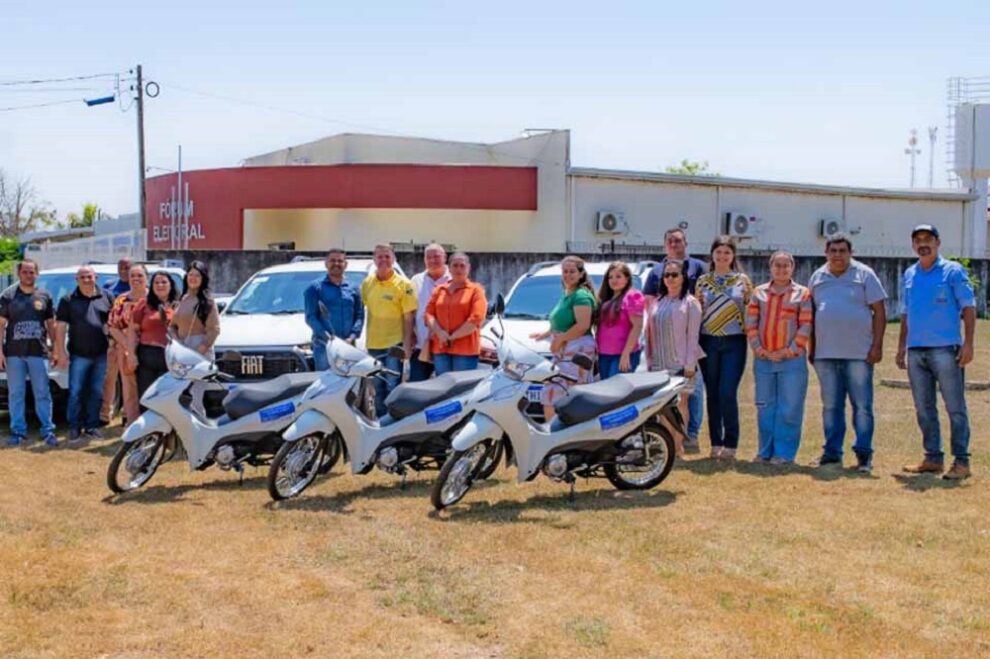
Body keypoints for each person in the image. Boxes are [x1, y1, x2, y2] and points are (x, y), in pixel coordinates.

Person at [897, 224, 976, 480]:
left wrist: (968, 343)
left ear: (938, 242)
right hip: (916, 351)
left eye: (928, 239)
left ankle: (961, 461)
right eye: (918, 240)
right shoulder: (910, 274)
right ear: (913, 245)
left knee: (955, 407)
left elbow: (968, 307)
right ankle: (933, 458)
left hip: (946, 350)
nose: (923, 244)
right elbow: (906, 313)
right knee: (924, 408)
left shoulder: (953, 271)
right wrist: (901, 347)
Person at [807, 234, 887, 472]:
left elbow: (880, 312)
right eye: (833, 251)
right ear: (826, 253)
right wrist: (812, 347)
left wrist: (877, 346)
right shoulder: (817, 277)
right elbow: (811, 314)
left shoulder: (865, 274)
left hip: (859, 354)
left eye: (842, 251)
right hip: (825, 354)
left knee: (862, 406)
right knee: (831, 406)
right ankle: (832, 453)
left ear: (850, 253)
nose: (837, 255)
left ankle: (863, 455)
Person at [644, 228, 709, 452]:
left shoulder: (691, 303)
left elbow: (693, 335)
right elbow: (650, 331)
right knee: (663, 405)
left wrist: (690, 365)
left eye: (675, 275)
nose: (670, 278)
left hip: (681, 361)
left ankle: (680, 445)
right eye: (667, 275)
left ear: (683, 277)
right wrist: (649, 359)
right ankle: (667, 445)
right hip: (659, 361)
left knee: (682, 403)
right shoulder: (658, 302)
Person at [745, 252, 813, 465]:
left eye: (786, 265)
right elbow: (751, 324)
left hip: (792, 361)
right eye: (777, 265)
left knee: (789, 408)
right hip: (764, 360)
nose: (781, 269)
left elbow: (805, 325)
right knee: (765, 407)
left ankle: (784, 454)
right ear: (770, 267)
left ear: (792, 267)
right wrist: (761, 350)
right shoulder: (759, 293)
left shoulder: (803, 294)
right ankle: (764, 451)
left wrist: (787, 351)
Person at [695, 237, 753, 460]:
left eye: (727, 252)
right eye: (718, 252)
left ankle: (731, 443)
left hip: (734, 341)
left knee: (727, 392)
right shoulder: (702, 281)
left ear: (733, 255)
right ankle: (715, 442)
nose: (722, 256)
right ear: (712, 254)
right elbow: (697, 311)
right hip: (708, 340)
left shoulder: (742, 281)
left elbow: (750, 310)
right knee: (712, 393)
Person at [530, 255, 597, 421]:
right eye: (565, 271)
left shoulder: (581, 296)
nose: (567, 275)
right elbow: (562, 321)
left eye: (572, 271)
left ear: (581, 274)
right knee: (554, 393)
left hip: (576, 350)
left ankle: (559, 432)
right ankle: (554, 431)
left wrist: (559, 340)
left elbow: (582, 325)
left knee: (563, 394)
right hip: (565, 350)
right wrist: (547, 333)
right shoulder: (568, 293)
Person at [53, 266, 115, 445]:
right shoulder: (67, 300)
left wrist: (113, 344)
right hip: (78, 354)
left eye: (89, 276)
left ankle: (91, 427)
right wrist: (60, 352)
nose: (87, 280)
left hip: (101, 354)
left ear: (96, 277)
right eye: (83, 277)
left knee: (96, 392)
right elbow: (60, 327)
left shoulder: (107, 297)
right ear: (77, 279)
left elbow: (113, 323)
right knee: (76, 392)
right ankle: (74, 427)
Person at [0, 259, 58, 448]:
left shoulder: (45, 296)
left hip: (38, 353)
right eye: (25, 272)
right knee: (16, 393)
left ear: (37, 274)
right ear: (19, 274)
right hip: (14, 354)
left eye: (31, 272)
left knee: (42, 393)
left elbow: (51, 324)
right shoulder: (8, 296)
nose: (28, 275)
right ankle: (18, 431)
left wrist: (56, 348)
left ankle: (47, 430)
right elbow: (1, 326)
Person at [361, 244, 418, 416]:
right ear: (374, 259)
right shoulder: (367, 283)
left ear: (393, 259)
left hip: (395, 345)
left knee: (392, 385)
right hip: (373, 345)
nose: (383, 260)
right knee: (376, 386)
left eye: (387, 256)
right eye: (380, 256)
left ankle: (392, 420)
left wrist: (406, 346)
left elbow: (409, 318)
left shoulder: (404, 284)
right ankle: (379, 420)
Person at [424, 252, 487, 374]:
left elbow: (476, 318)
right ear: (449, 268)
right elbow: (428, 314)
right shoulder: (439, 290)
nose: (459, 269)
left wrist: (453, 337)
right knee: (442, 383)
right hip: (441, 348)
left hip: (465, 350)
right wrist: (440, 333)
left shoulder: (476, 291)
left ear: (468, 268)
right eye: (455, 265)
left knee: (462, 384)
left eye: (462, 266)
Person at [303, 248, 364, 370]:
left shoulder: (354, 288)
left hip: (348, 346)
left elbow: (359, 315)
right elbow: (311, 317)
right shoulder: (315, 288)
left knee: (349, 380)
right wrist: (328, 337)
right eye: (332, 260)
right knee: (325, 380)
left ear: (345, 264)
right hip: (324, 346)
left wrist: (352, 336)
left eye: (340, 261)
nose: (336, 264)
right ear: (326, 263)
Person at [107, 264, 149, 427]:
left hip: (150, 348)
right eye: (132, 276)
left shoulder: (153, 298)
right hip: (125, 348)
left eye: (140, 275)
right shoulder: (121, 300)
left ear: (146, 278)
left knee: (148, 385)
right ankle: (133, 424)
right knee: (129, 387)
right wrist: (127, 345)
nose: (136, 279)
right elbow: (112, 326)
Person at [128, 271, 178, 398]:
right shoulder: (143, 304)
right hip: (147, 356)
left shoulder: (179, 306)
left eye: (164, 282)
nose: (160, 285)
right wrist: (131, 355)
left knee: (167, 397)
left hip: (171, 357)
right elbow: (133, 331)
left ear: (171, 285)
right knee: (147, 396)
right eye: (156, 282)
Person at [409, 243, 451, 381]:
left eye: (436, 256)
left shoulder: (455, 280)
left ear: (445, 257)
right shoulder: (416, 280)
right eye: (428, 257)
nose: (432, 260)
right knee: (416, 387)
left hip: (446, 349)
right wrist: (410, 335)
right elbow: (411, 311)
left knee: (444, 387)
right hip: (421, 346)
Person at [596, 261, 645, 379]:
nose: (614, 280)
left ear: (627, 279)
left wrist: (626, 353)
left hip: (622, 354)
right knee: (604, 387)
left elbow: (637, 326)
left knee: (615, 388)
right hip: (603, 354)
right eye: (610, 277)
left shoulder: (632, 296)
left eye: (618, 276)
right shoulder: (605, 299)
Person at [100, 257, 132, 425]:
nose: (124, 271)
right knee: (109, 379)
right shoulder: (108, 286)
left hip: (132, 340)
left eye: (127, 267)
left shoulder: (140, 287)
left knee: (129, 379)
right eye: (121, 268)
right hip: (112, 339)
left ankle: (127, 413)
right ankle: (105, 414)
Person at [170, 261, 221, 360]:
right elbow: (172, 326)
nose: (193, 278)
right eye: (191, 275)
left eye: (197, 275)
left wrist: (199, 351)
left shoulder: (207, 301)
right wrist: (177, 343)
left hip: (201, 354)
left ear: (203, 279)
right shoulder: (182, 299)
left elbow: (214, 330)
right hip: (182, 352)